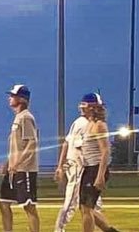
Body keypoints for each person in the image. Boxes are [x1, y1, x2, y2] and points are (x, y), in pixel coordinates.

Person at [75, 94, 120, 232]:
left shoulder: (100, 125)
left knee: (87, 208)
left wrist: (100, 176)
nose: (81, 108)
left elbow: (105, 151)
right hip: (88, 168)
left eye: (84, 105)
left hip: (96, 169)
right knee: (84, 207)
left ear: (93, 107)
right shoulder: (88, 124)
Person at [0, 85, 41, 232]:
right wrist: (8, 163)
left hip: (25, 170)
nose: (9, 98)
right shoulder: (18, 118)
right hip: (13, 170)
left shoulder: (26, 117)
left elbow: (32, 143)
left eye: (13, 96)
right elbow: (16, 146)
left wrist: (17, 163)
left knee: (29, 206)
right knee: (3, 203)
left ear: (22, 99)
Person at [52, 94, 93, 232]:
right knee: (71, 202)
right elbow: (75, 145)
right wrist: (60, 166)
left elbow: (66, 143)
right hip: (78, 166)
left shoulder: (83, 122)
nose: (81, 107)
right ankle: (59, 229)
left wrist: (60, 166)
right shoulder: (83, 123)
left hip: (82, 167)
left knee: (93, 203)